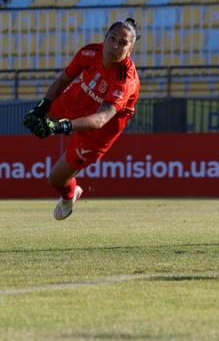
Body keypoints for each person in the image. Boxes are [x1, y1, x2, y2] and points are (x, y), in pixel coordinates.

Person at [22, 18, 141, 220]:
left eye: (123, 43)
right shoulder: (89, 52)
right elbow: (62, 80)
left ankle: (70, 195)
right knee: (37, 121)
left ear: (130, 50)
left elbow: (101, 119)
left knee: (56, 179)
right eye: (112, 39)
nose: (115, 46)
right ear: (105, 39)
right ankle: (48, 121)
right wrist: (41, 107)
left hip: (99, 131)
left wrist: (62, 126)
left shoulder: (124, 80)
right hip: (78, 98)